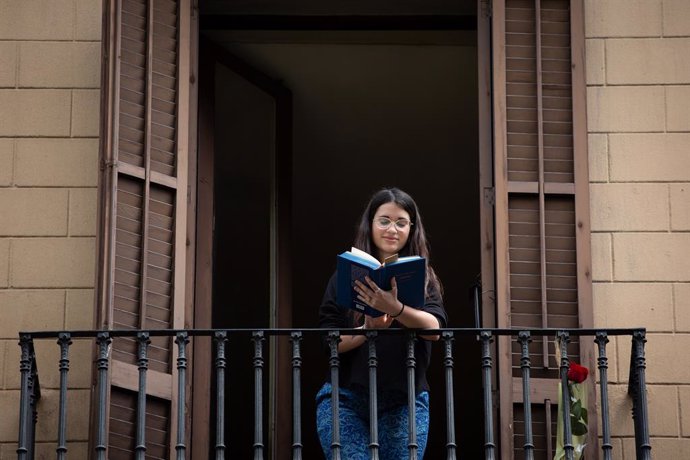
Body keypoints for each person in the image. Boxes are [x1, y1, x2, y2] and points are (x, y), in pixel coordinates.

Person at [316, 187, 447, 459]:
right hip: (345, 397)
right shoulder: (343, 276)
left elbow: (434, 330)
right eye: (384, 220)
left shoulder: (425, 278)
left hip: (404, 400)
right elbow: (329, 341)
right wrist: (368, 330)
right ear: (371, 224)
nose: (392, 229)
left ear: (412, 228)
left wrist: (395, 308)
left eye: (401, 223)